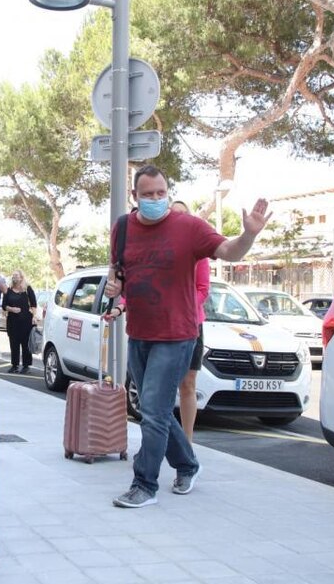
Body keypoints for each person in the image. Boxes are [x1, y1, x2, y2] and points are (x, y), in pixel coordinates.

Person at [106, 165, 269, 508]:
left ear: (168, 193)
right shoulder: (122, 228)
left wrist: (249, 235)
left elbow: (230, 251)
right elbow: (118, 270)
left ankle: (144, 485)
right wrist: (114, 286)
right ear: (134, 196)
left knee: (152, 411)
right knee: (155, 410)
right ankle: (188, 464)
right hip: (139, 333)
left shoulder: (189, 227)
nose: (155, 199)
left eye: (161, 193)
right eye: (147, 194)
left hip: (177, 334)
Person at [171, 200, 210, 442]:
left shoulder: (199, 253)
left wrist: (181, 306)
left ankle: (187, 442)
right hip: (163, 326)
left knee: (188, 384)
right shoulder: (160, 249)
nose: (179, 219)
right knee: (161, 386)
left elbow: (203, 289)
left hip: (191, 324)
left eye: (184, 214)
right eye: (174, 215)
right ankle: (159, 438)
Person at [1, 270, 37, 373]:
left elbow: (34, 304)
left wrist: (34, 316)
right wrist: (12, 309)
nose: (14, 277)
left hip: (26, 321)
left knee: (26, 344)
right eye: (13, 275)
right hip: (12, 321)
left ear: (21, 277)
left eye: (16, 275)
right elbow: (4, 305)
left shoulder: (27, 289)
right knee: (14, 343)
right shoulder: (8, 290)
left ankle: (26, 366)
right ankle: (14, 365)